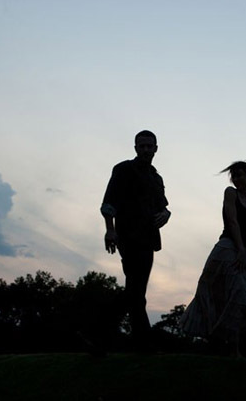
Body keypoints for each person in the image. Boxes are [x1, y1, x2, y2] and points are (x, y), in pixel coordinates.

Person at [180, 161, 246, 357]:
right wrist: (240, 248)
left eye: (240, 175)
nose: (236, 179)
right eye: (234, 176)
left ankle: (233, 345)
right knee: (230, 294)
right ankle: (228, 348)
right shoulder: (230, 193)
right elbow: (232, 221)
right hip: (227, 248)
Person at [100, 130, 171, 346]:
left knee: (136, 292)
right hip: (127, 235)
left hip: (148, 239)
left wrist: (166, 214)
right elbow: (109, 203)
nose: (146, 150)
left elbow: (163, 207)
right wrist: (110, 230)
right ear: (136, 148)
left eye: (150, 146)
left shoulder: (156, 178)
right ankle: (105, 334)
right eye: (142, 146)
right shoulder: (123, 169)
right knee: (135, 289)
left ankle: (134, 342)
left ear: (156, 148)